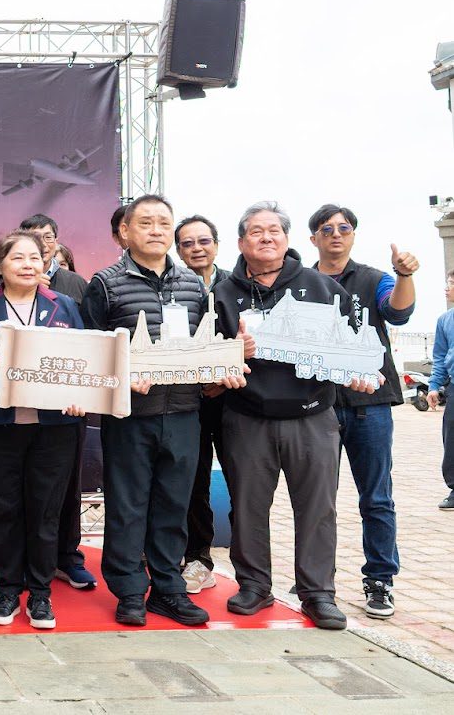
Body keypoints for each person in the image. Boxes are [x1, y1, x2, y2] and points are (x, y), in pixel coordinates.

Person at [214, 201, 378, 630]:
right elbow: (208, 356)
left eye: (274, 230)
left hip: (313, 416)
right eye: (256, 231)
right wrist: (231, 352)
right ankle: (254, 585)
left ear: (287, 239)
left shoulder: (321, 286)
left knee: (318, 508)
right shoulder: (223, 293)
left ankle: (318, 593)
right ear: (241, 242)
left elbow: (352, 345)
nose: (266, 238)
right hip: (247, 416)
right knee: (247, 507)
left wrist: (360, 374)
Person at [82, 194, 233, 628]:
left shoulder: (192, 285)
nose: (155, 230)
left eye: (164, 223)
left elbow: (206, 343)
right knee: (128, 506)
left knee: (173, 504)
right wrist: (121, 379)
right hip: (129, 416)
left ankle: (168, 588)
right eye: (145, 222)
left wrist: (224, 365)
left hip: (184, 413)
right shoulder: (105, 284)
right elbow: (90, 351)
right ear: (125, 231)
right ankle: (130, 591)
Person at [0, 231, 88, 629]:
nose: (28, 264)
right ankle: (7, 591)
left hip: (55, 427)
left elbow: (84, 361)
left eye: (35, 257)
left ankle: (40, 594)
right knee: (4, 510)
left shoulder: (65, 306)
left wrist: (80, 396)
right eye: (18, 257)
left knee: (45, 512)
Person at [309, 204, 418, 619]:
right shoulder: (301, 282)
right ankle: (318, 580)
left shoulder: (375, 278)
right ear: (314, 238)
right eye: (327, 229)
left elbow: (398, 312)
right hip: (315, 404)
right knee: (317, 499)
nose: (336, 234)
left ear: (353, 235)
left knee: (376, 497)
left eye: (344, 228)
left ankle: (380, 580)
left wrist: (404, 275)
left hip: (369, 406)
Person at [19, 214, 95, 591]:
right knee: (24, 490)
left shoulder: (75, 284)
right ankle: (26, 563)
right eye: (31, 239)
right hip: (20, 409)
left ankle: (68, 556)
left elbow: (92, 341)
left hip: (67, 408)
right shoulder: (5, 284)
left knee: (67, 487)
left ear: (56, 240)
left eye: (47, 238)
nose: (40, 245)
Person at [174, 214, 229, 595]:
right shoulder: (172, 288)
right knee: (192, 483)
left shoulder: (236, 285)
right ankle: (197, 558)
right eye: (188, 243)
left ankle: (252, 569)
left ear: (217, 244)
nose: (197, 248)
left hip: (232, 402)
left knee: (245, 485)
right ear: (178, 250)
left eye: (204, 241)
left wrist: (223, 380)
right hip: (186, 402)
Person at [426, 270, 454, 510]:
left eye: (451, 283)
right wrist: (434, 386)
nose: (447, 288)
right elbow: (440, 356)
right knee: (451, 438)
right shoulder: (445, 320)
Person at [20, 214, 88, 302]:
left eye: (48, 237)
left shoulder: (76, 282)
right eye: (36, 237)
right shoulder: (8, 281)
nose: (43, 244)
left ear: (56, 242)